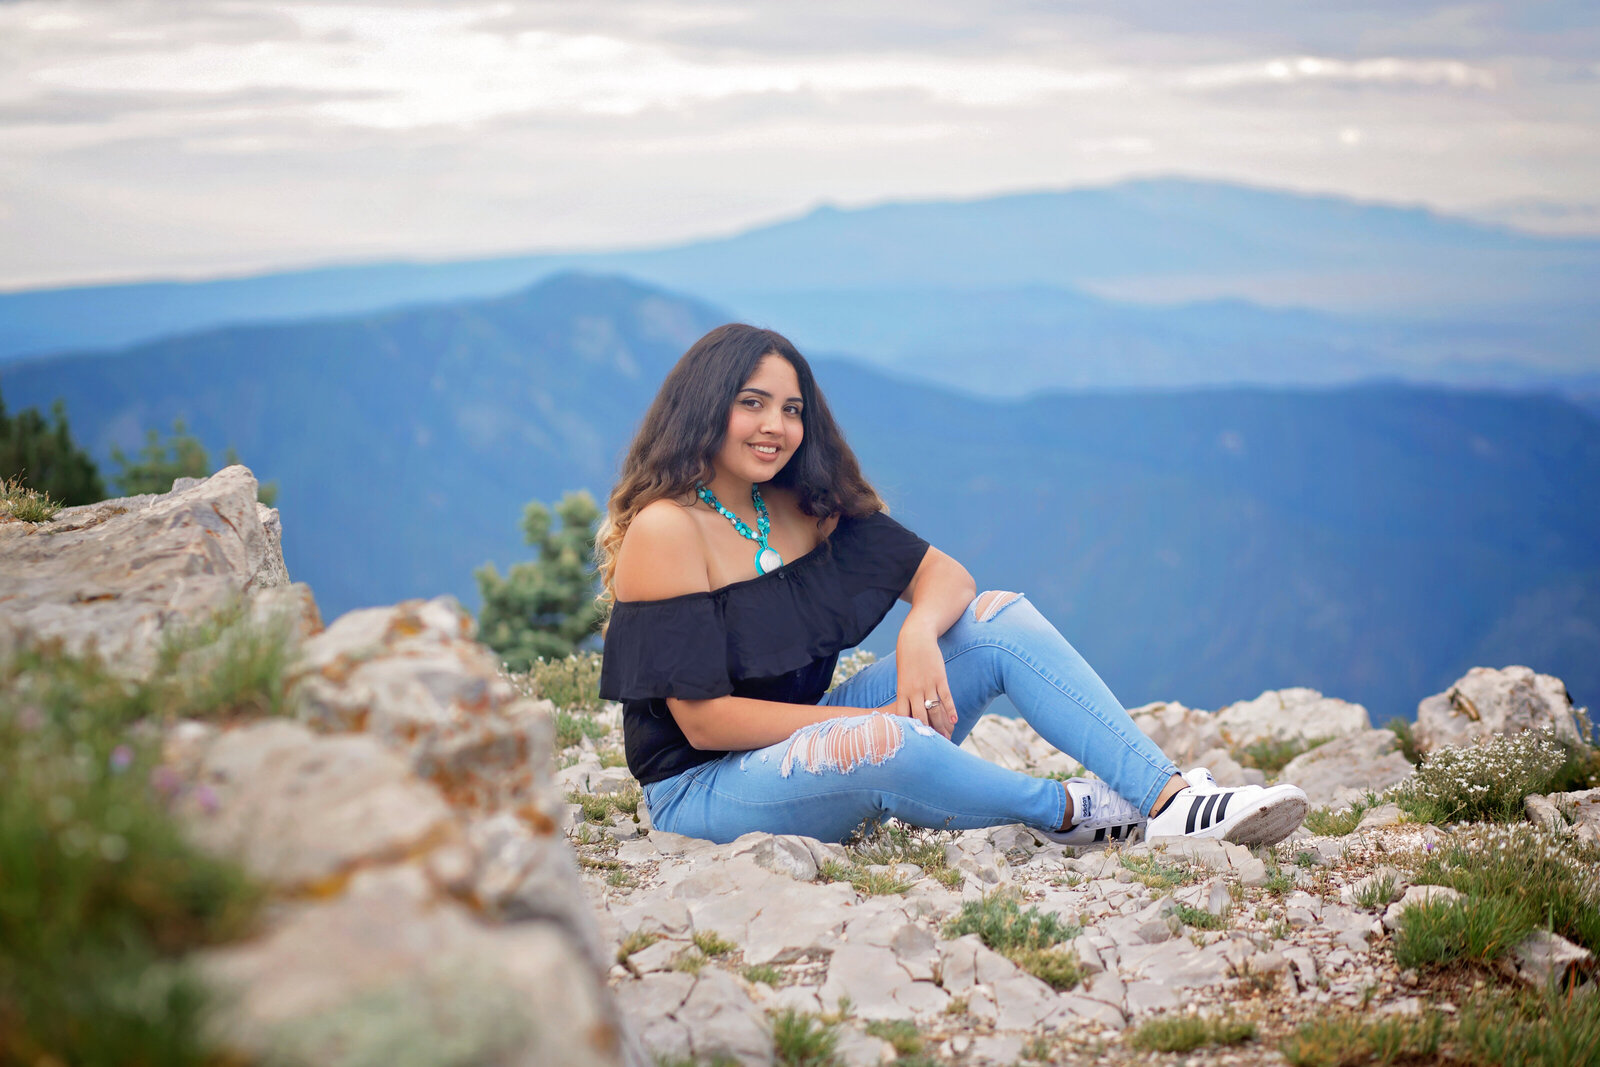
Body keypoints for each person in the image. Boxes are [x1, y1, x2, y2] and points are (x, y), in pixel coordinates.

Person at [596, 324, 1308, 848]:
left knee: (998, 620)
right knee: (885, 742)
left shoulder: (796, 504)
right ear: (705, 406)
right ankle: (1074, 812)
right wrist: (868, 726)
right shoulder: (667, 528)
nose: (776, 426)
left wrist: (915, 634)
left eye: (791, 408)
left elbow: (947, 576)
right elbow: (705, 722)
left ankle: (1170, 798)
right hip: (702, 791)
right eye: (753, 403)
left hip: (804, 752)